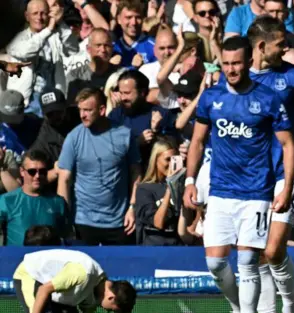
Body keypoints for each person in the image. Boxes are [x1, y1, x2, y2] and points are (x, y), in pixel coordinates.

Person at [182, 36, 294, 313]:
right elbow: (196, 142)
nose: (231, 69)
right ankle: (238, 307)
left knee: (247, 260)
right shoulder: (211, 97)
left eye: (236, 63)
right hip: (220, 191)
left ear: (248, 62)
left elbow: (288, 144)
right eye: (226, 63)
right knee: (216, 264)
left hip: (256, 192)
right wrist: (190, 180)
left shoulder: (269, 98)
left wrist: (284, 186)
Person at [226, 16, 294, 313]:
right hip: (249, 181)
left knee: (272, 248)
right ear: (262, 46)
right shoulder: (237, 77)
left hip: (286, 173)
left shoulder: (292, 76)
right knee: (257, 255)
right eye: (282, 43)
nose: (288, 48)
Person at [57, 88, 142, 246]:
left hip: (119, 221)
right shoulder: (73, 137)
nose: (82, 115)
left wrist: (133, 207)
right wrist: (65, 218)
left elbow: (136, 172)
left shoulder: (124, 135)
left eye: (88, 110)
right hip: (83, 221)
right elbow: (64, 179)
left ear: (102, 110)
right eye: (80, 110)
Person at [13, 249, 136, 313]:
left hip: (55, 293)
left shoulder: (98, 290)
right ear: (111, 297)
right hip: (32, 275)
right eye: (111, 310)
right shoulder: (82, 274)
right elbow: (43, 290)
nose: (107, 311)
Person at [0, 149, 69, 246]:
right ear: (22, 171)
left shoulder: (58, 202)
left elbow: (66, 235)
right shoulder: (6, 201)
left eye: (42, 171)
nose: (37, 176)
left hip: (49, 259)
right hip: (17, 259)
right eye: (32, 172)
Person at [135, 139, 185, 245]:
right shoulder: (144, 189)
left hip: (179, 247)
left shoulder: (184, 186)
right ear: (155, 160)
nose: (172, 164)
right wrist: (170, 186)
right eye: (167, 159)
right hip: (155, 248)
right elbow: (158, 223)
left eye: (174, 159)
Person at [66, 28, 120, 106]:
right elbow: (71, 107)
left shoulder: (119, 75)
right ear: (88, 49)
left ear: (112, 48)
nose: (103, 50)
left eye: (107, 45)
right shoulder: (75, 76)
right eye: (98, 45)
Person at [112, 0, 156, 68]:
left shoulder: (154, 46)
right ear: (118, 19)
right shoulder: (112, 48)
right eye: (128, 17)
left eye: (138, 17)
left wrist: (144, 68)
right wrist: (109, 67)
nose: (134, 22)